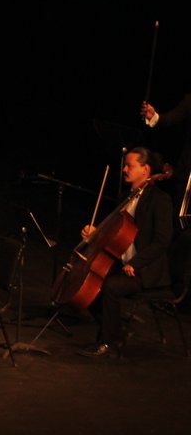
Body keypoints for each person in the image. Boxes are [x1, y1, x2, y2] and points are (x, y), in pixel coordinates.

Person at [77, 147, 174, 358]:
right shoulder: (125, 197)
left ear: (145, 169)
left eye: (130, 165)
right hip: (123, 265)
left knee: (109, 287)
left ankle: (107, 343)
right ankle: (116, 332)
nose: (124, 169)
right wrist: (95, 233)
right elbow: (115, 233)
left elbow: (162, 241)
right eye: (125, 165)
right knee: (89, 283)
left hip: (146, 271)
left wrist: (136, 263)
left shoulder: (159, 199)